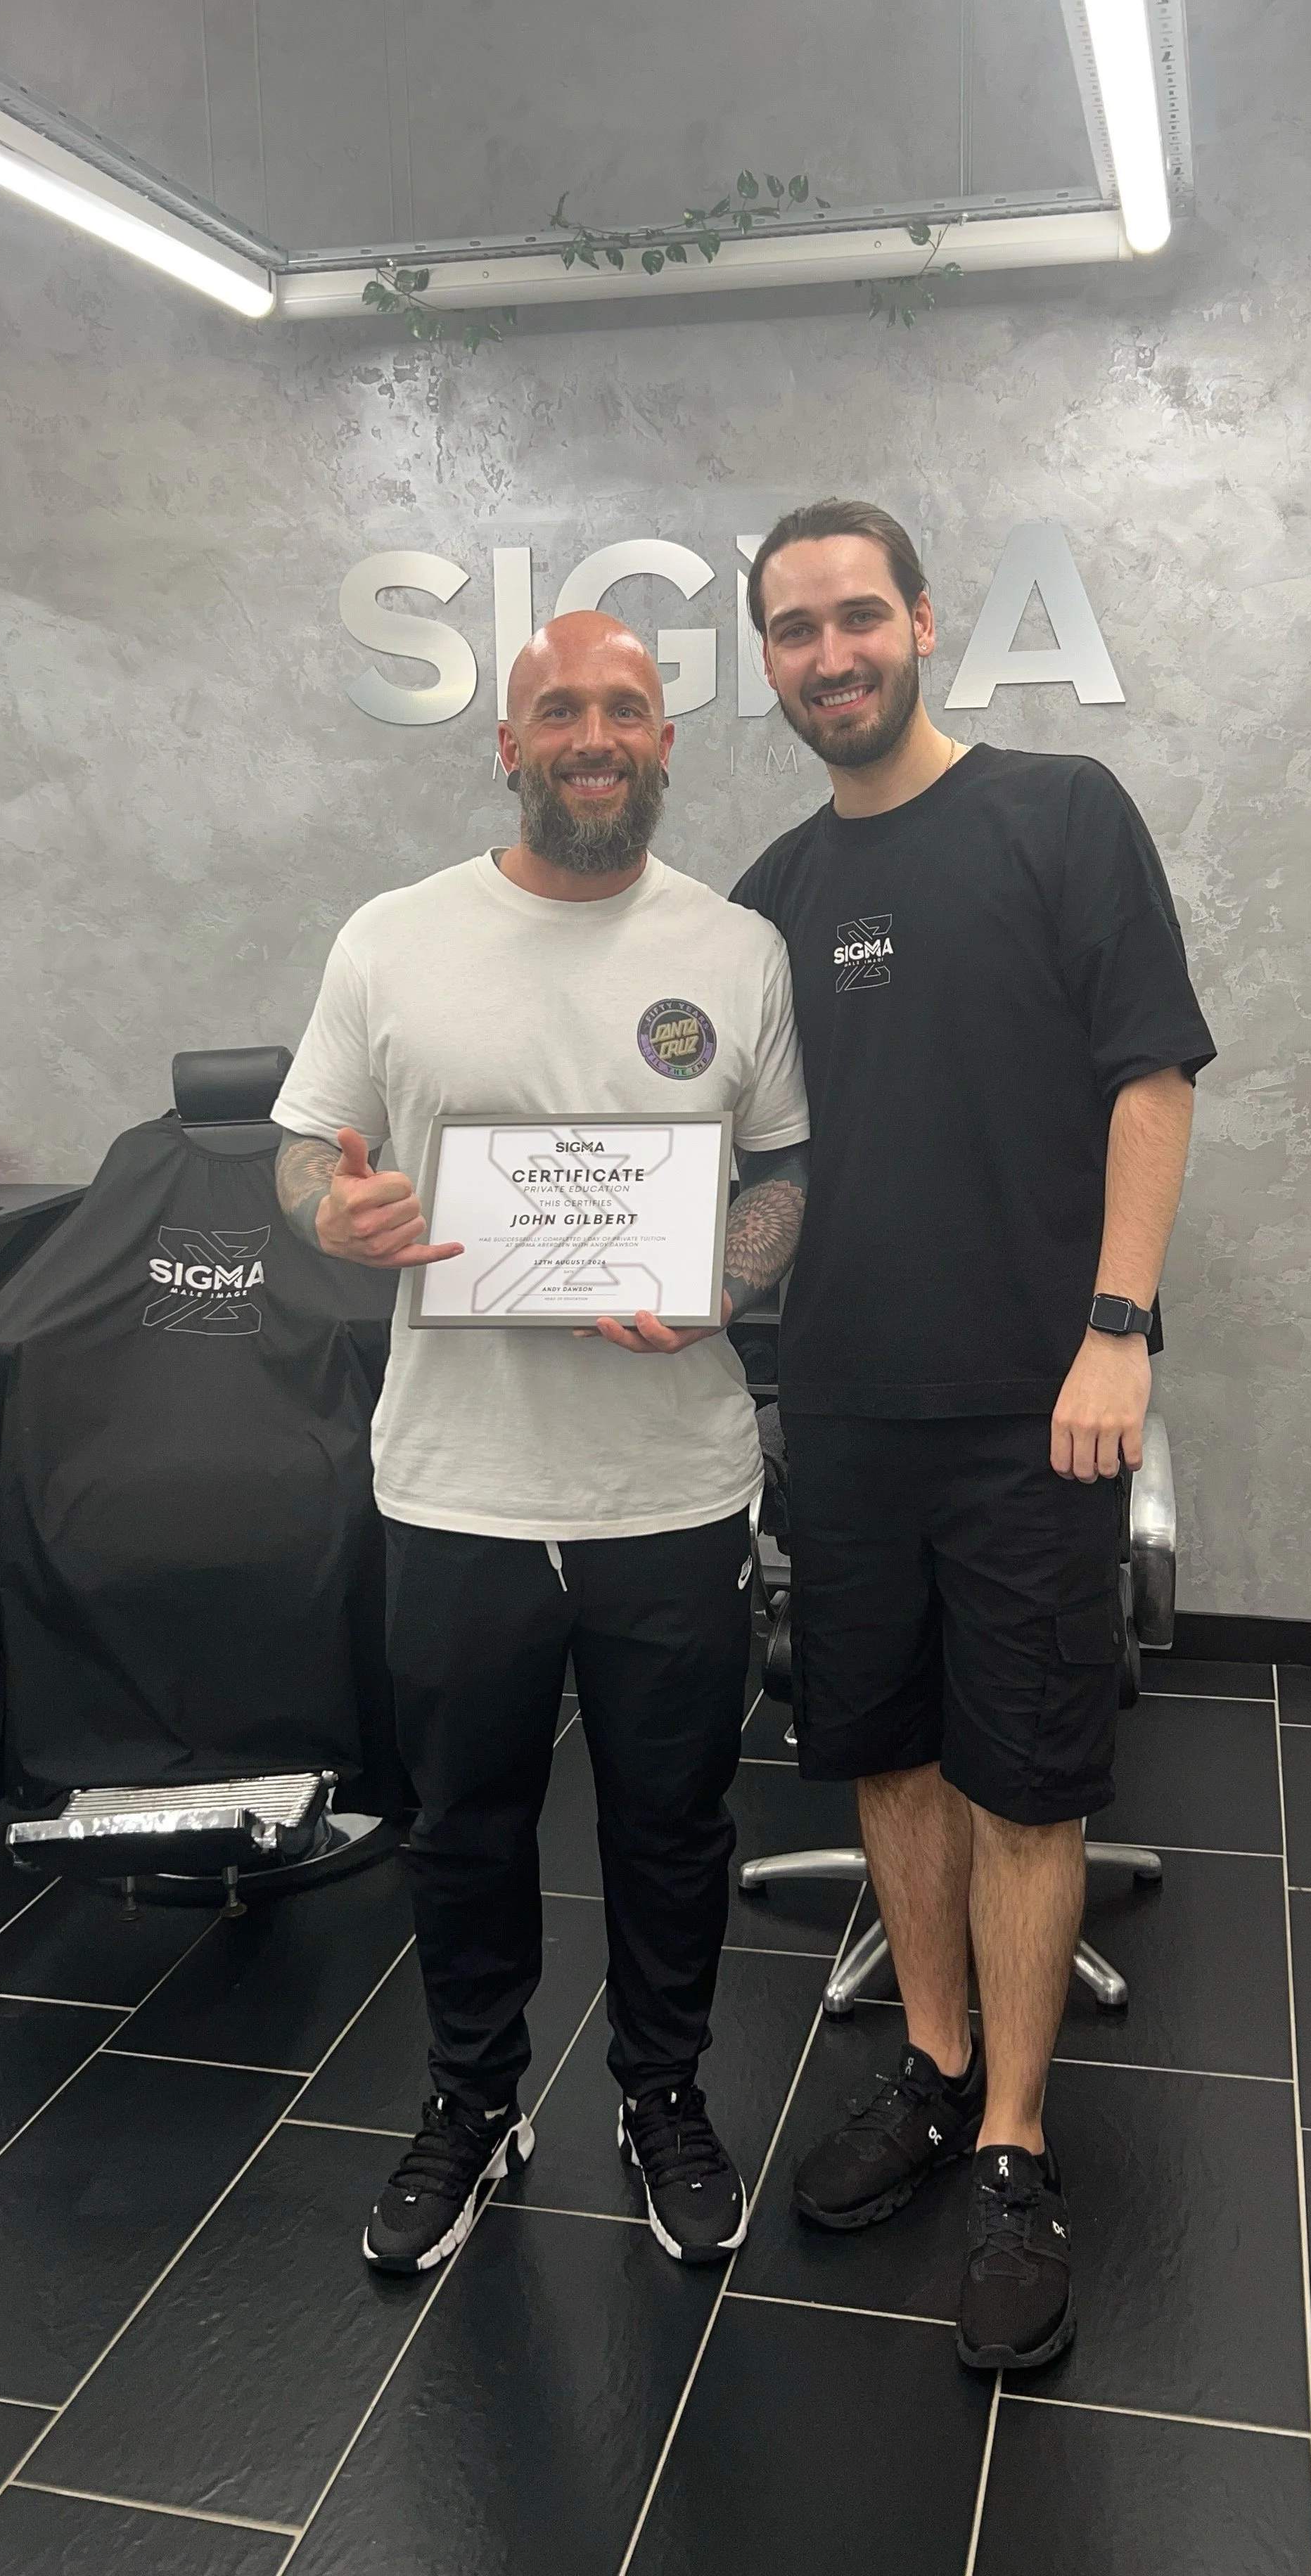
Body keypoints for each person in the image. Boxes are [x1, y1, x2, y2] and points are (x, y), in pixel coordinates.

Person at [731, 500, 1215, 2373]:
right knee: (883, 1755)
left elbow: (1149, 1077)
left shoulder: (1055, 814)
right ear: (764, 661)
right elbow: (776, 1176)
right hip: (838, 1407)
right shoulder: (770, 893)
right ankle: (928, 2071)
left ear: (922, 623)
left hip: (1039, 1413)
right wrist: (680, 1275)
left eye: (858, 615)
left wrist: (1116, 1330)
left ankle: (1013, 2143)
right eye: (793, 630)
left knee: (1024, 1775)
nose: (829, 652)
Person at [273, 610, 809, 2276]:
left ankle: (663, 2100)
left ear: (665, 744)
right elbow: (304, 1163)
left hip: (671, 1481)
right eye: (561, 709)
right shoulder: (392, 938)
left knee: (672, 1821)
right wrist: (336, 1219)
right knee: (465, 1823)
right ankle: (470, 2101)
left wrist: (722, 1278)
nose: (595, 733)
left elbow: (783, 1172)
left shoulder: (738, 950)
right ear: (507, 744)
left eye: (627, 709)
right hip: (457, 1480)